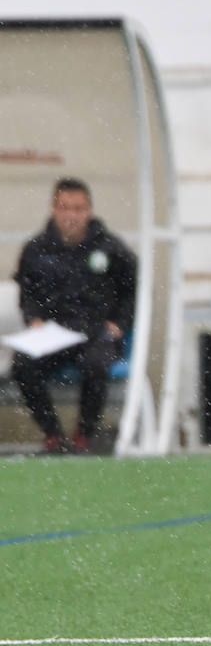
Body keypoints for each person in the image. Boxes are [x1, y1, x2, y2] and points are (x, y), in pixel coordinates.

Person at [11, 177, 137, 454]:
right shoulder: (36, 250)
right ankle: (54, 436)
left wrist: (119, 324)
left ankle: (84, 437)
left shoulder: (110, 248)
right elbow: (27, 295)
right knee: (22, 364)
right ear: (53, 209)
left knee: (95, 364)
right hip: (55, 335)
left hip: (96, 334)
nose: (72, 216)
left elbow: (132, 291)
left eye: (79, 209)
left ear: (89, 210)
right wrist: (34, 321)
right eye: (65, 208)